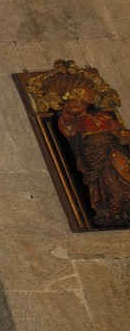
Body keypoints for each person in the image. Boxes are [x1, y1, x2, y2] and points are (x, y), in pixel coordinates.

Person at [53, 86, 130, 226]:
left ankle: (124, 200)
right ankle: (114, 203)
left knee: (123, 167)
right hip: (94, 154)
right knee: (107, 177)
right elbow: (67, 126)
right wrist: (68, 108)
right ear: (79, 96)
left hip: (111, 147)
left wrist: (122, 134)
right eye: (88, 92)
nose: (92, 94)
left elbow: (120, 131)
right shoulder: (76, 116)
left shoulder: (103, 115)